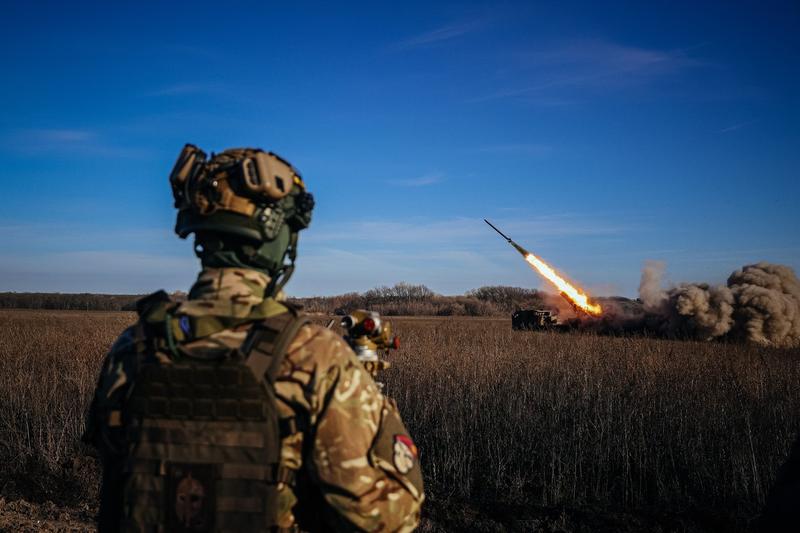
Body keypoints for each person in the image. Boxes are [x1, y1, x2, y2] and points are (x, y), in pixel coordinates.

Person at [83, 145, 424, 532]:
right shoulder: (316, 357)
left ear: (201, 231)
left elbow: (117, 479)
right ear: (279, 238)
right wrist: (377, 410)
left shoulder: (133, 347)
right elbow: (386, 519)